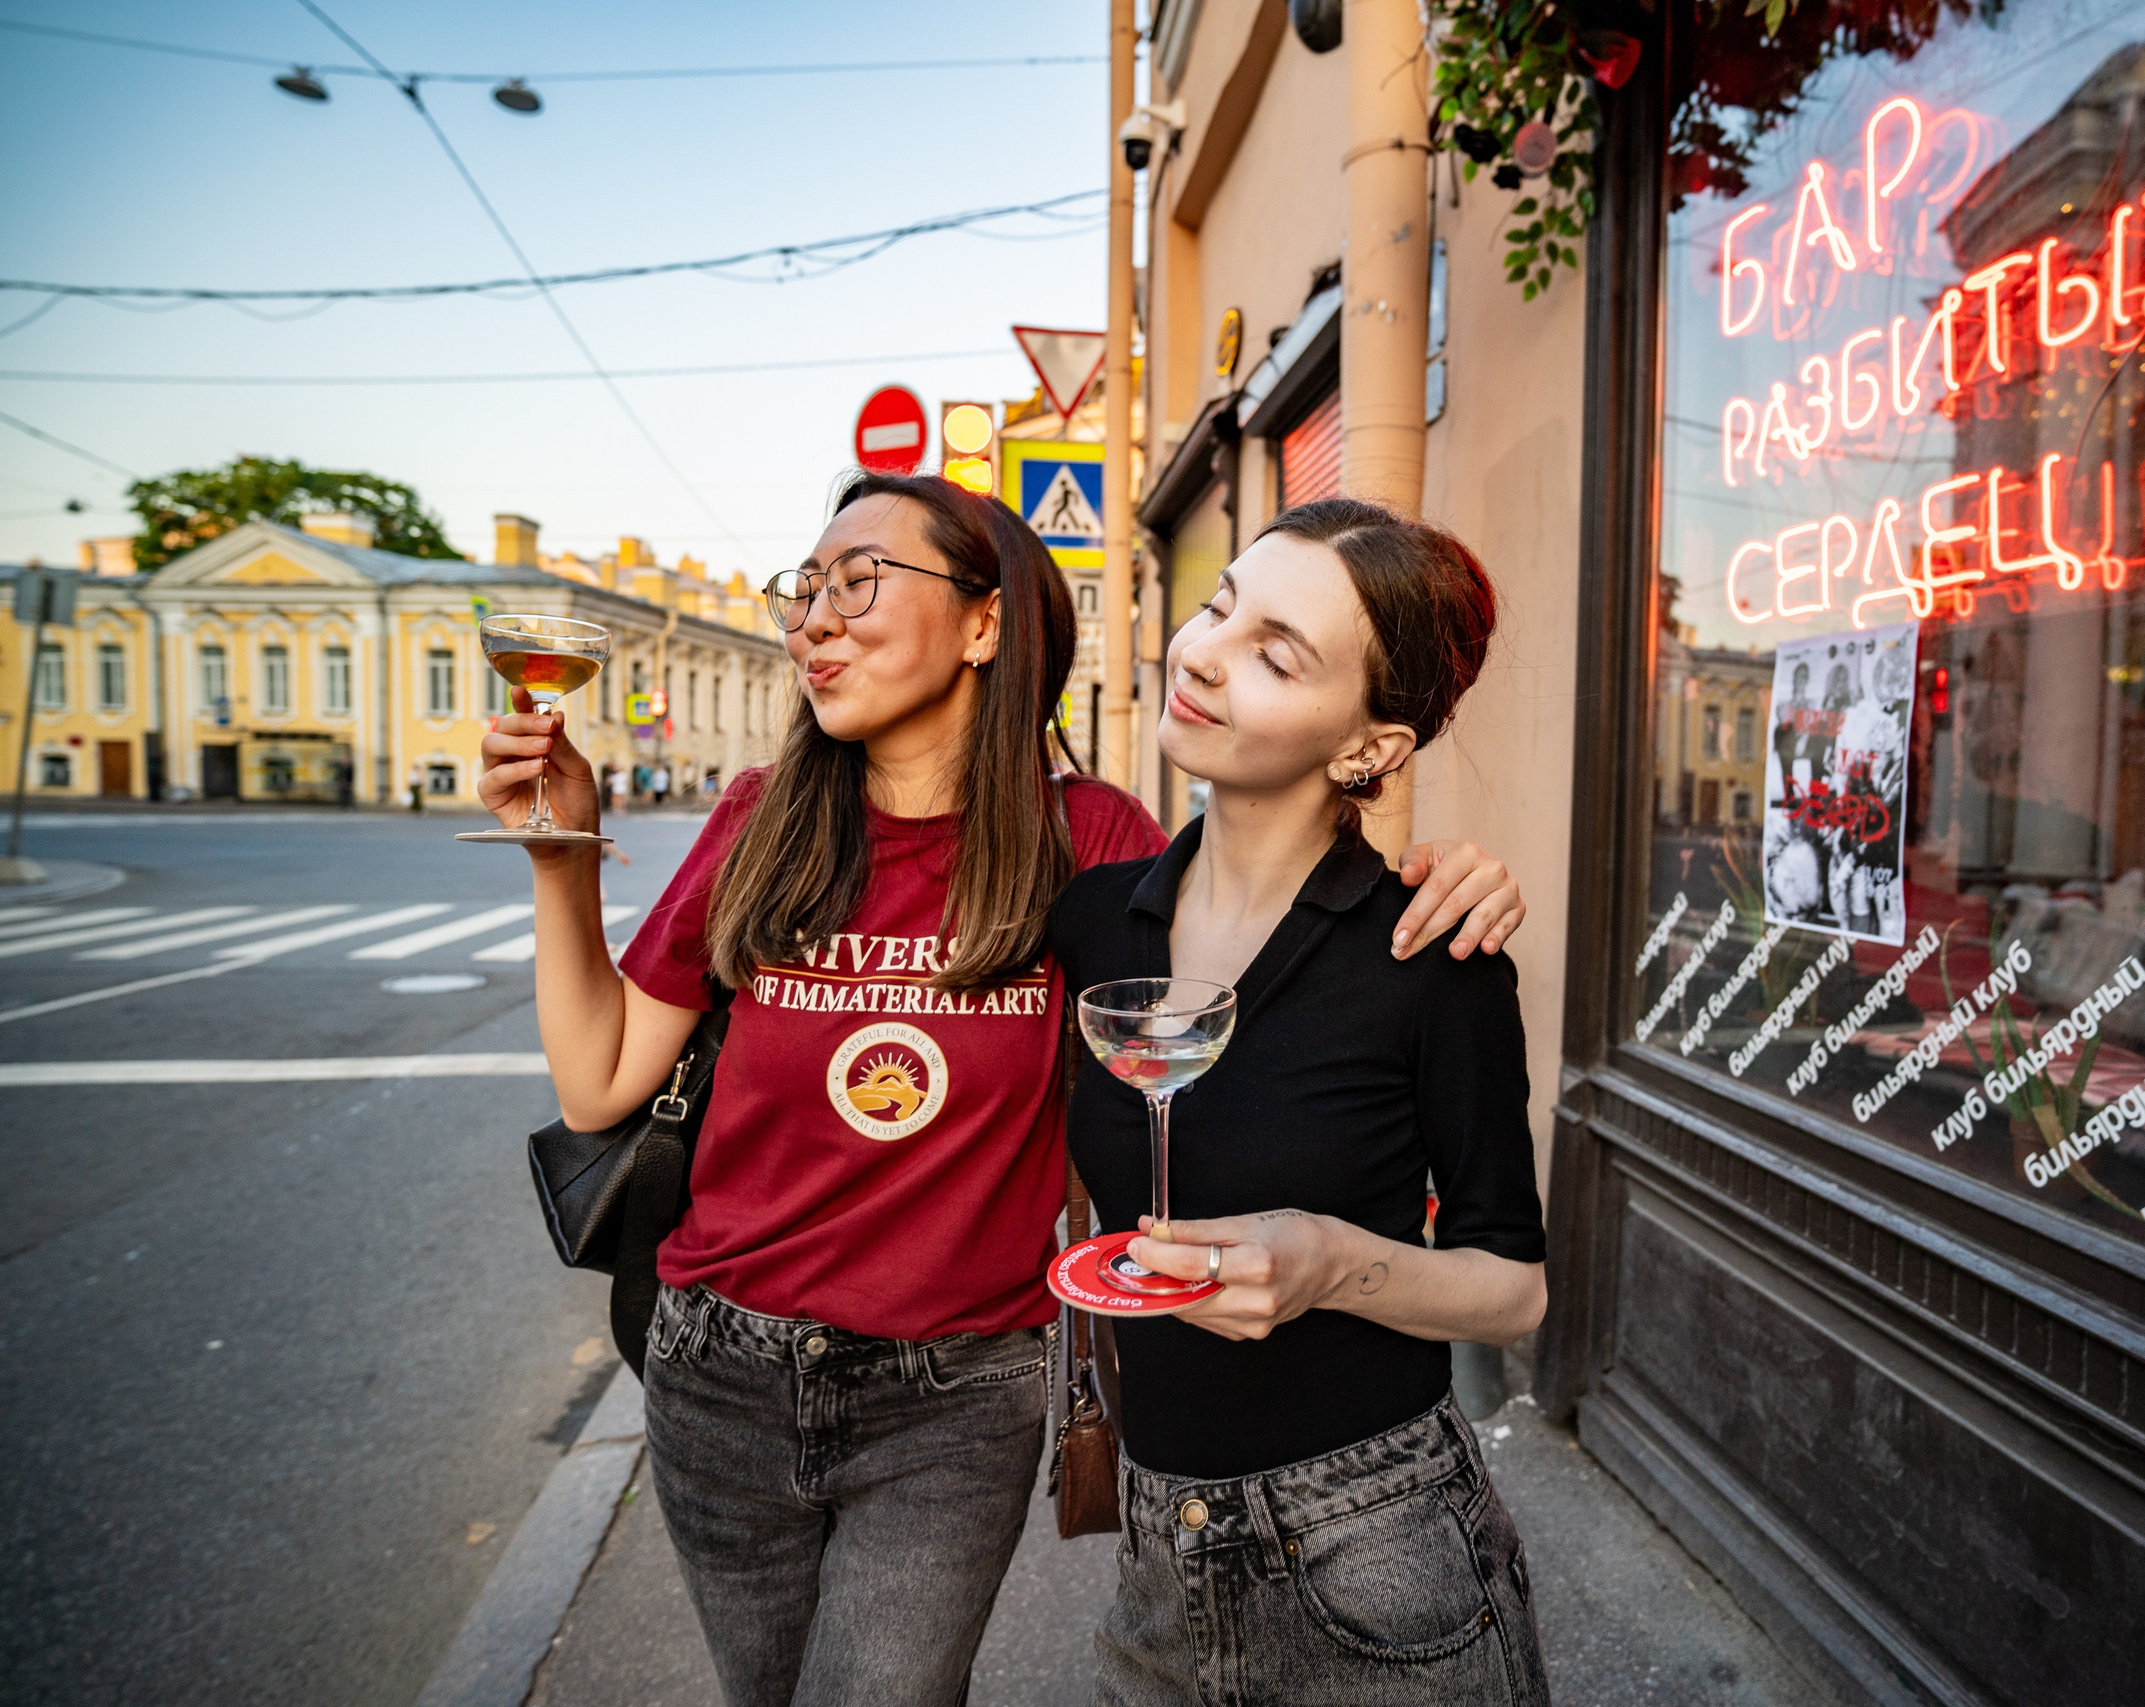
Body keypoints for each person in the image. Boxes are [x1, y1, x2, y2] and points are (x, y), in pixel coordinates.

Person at [474, 471, 1528, 1707]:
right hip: (725, 1371)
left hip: (959, 1397)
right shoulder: (777, 822)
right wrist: (561, 858)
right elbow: (600, 1084)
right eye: (805, 586)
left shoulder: (1087, 846)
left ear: (985, 624)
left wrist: (1443, 870)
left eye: (862, 579)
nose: (817, 614)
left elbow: (1281, 899)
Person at [1049, 499, 1551, 1706]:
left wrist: (1329, 1263)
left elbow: (1513, 1288)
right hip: (1156, 1549)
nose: (1206, 653)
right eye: (1220, 606)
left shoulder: (1433, 955)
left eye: (1276, 654)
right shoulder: (1092, 919)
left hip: (1381, 1550)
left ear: (1370, 748)